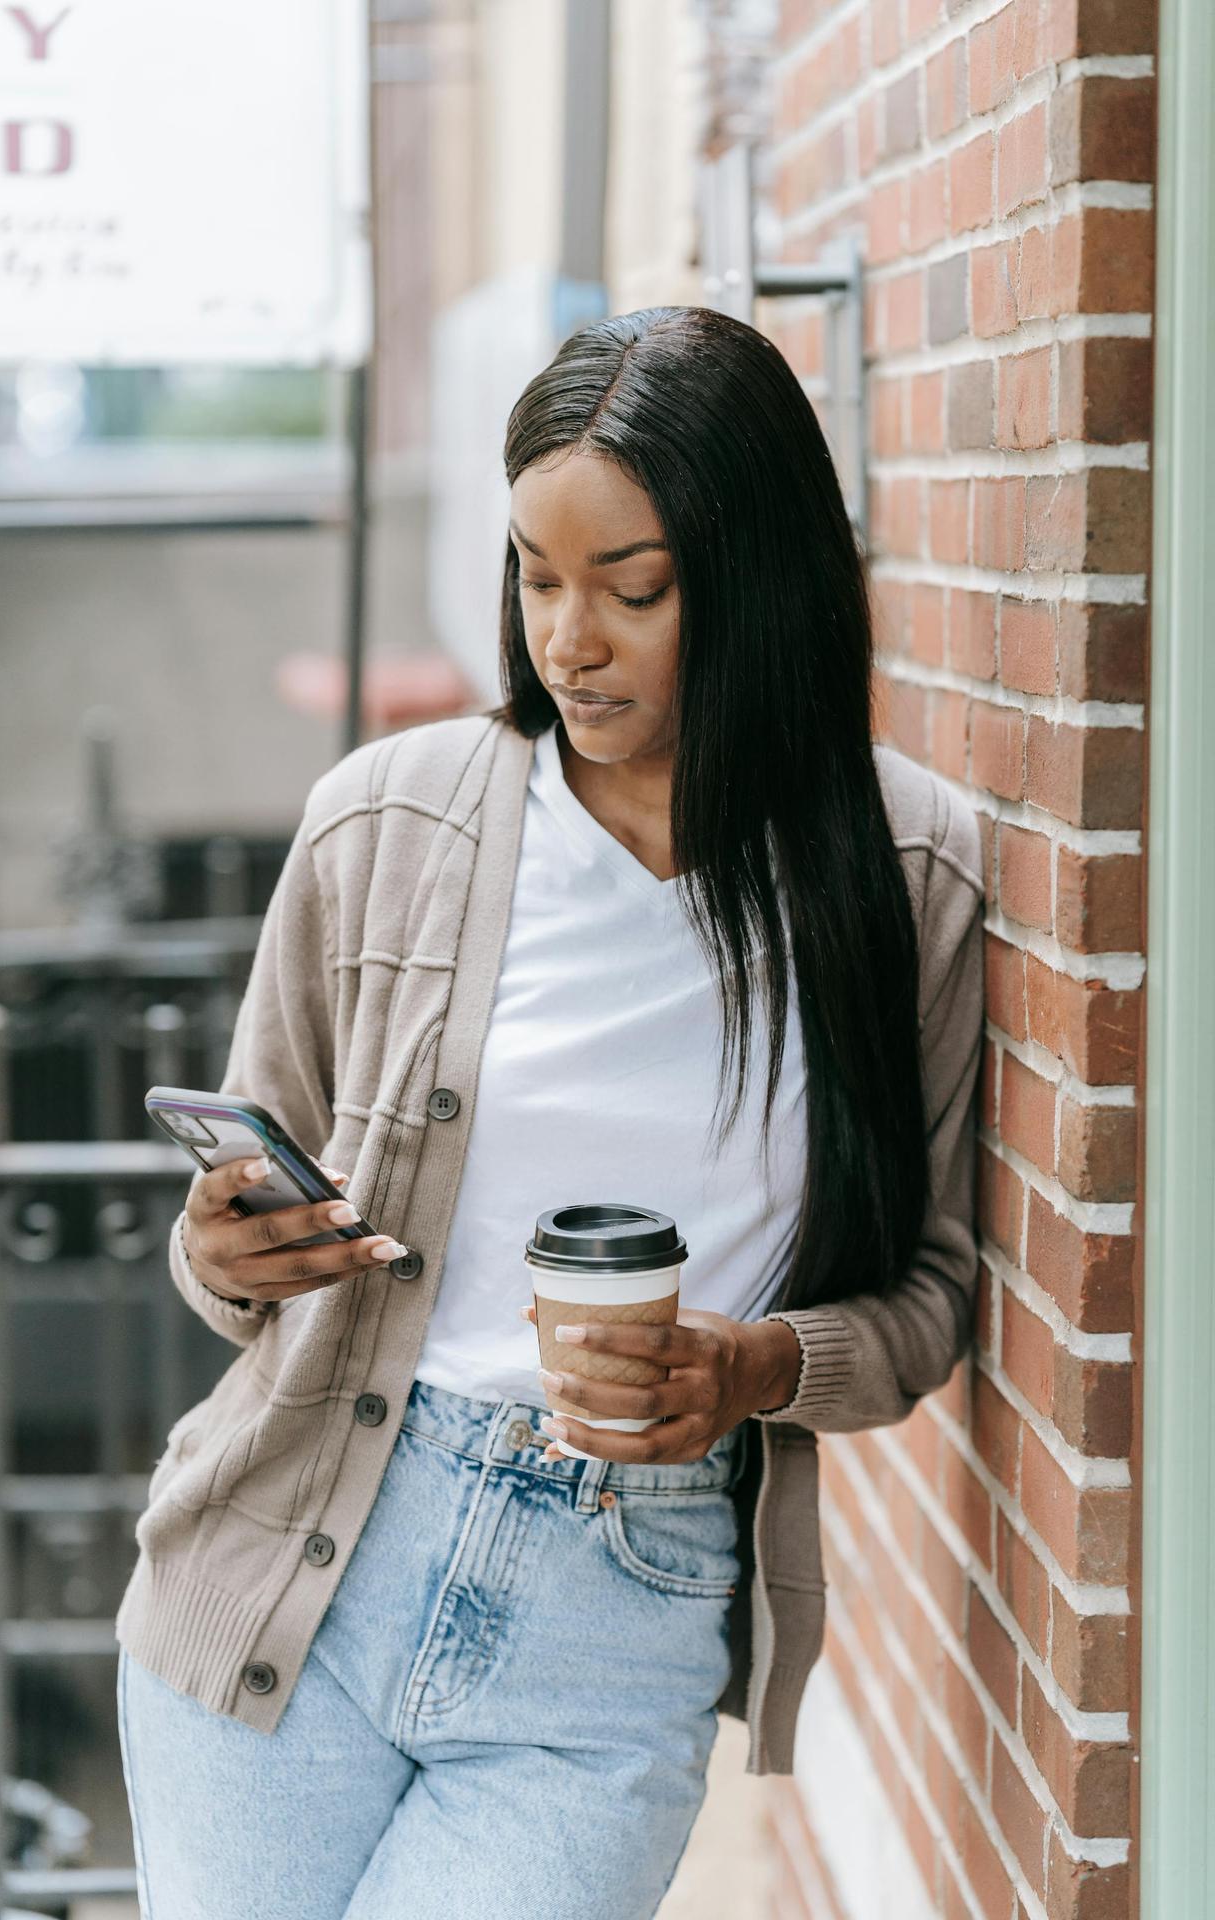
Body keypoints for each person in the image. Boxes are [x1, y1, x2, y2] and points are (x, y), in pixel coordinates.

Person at [114, 304, 984, 1920]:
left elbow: (932, 1293)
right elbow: (229, 1249)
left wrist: (753, 1365)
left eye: (631, 589)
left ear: (756, 578)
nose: (566, 639)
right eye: (534, 575)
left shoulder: (903, 877)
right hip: (291, 1571)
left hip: (618, 1612)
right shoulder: (382, 819)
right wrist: (234, 1255)